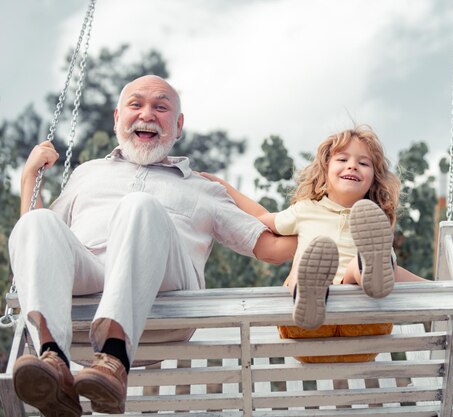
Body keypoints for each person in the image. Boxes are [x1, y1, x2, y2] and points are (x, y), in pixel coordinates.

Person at [8, 75, 295, 417]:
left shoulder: (203, 188)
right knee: (37, 222)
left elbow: (268, 247)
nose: (147, 114)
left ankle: (114, 361)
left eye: (160, 107)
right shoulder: (87, 173)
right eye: (136, 104)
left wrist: (328, 227)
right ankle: (53, 363)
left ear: (178, 125)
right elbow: (41, 248)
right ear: (117, 117)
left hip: (164, 300)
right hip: (86, 291)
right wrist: (29, 178)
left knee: (138, 206)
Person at [201, 125, 427, 363]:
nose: (352, 165)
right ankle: (311, 292)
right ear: (324, 170)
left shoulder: (374, 222)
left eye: (364, 163)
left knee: (365, 266)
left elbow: (396, 274)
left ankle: (362, 274)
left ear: (373, 179)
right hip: (309, 329)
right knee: (305, 264)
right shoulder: (305, 211)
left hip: (363, 327)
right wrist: (222, 187)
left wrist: (440, 289)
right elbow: (260, 219)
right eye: (343, 159)